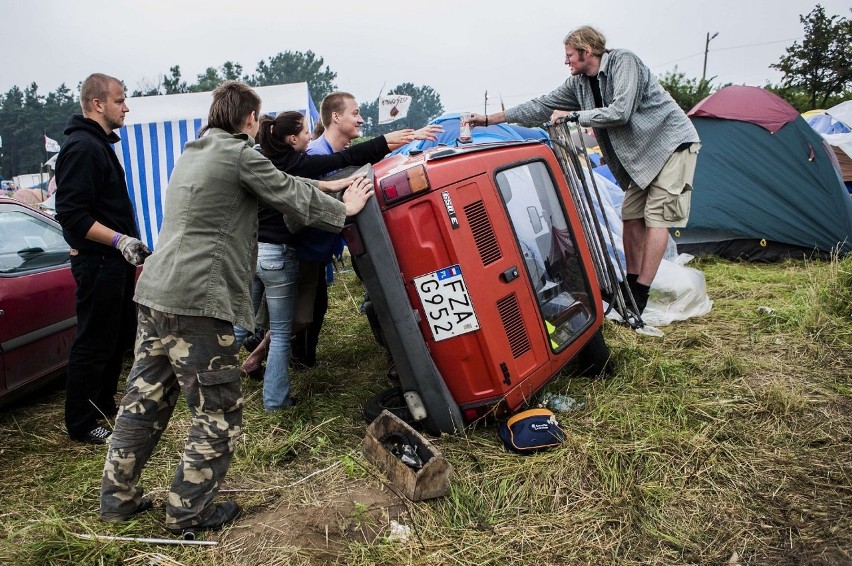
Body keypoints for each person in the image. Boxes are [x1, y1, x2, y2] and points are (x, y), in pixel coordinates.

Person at [99, 81, 374, 534]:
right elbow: (286, 193)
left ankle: (118, 498)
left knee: (142, 402)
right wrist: (343, 208)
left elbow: (275, 179)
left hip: (155, 294)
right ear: (249, 119)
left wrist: (332, 182)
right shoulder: (240, 153)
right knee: (218, 410)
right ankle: (189, 512)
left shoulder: (196, 151)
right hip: (196, 304)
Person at [468, 26, 700, 316]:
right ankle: (630, 283)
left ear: (586, 51)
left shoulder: (623, 62)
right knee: (630, 216)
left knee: (657, 217)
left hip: (669, 144)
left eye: (569, 56)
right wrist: (490, 120)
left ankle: (640, 292)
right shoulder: (578, 84)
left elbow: (621, 111)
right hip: (641, 157)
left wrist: (574, 115)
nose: (566, 62)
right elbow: (539, 106)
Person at [237, 111, 439, 409]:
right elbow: (329, 169)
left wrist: (332, 186)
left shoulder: (264, 161)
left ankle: (211, 378)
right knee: (282, 333)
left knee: (240, 323)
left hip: (251, 253)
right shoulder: (298, 160)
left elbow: (301, 181)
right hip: (280, 255)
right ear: (292, 138)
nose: (310, 136)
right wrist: (345, 203)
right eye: (306, 132)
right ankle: (275, 402)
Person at [55, 73, 150, 445]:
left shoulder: (98, 144)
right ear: (98, 104)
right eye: (120, 100)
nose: (126, 107)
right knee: (94, 340)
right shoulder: (81, 147)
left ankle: (102, 405)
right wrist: (118, 239)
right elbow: (72, 213)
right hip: (98, 262)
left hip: (113, 262)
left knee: (116, 336)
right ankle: (80, 422)